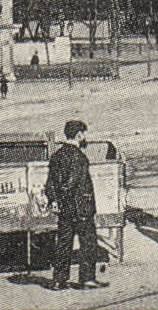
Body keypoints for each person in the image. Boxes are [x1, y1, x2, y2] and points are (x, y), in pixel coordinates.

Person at [45, 120, 104, 290]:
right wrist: (65, 193)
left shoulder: (57, 156)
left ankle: (59, 280)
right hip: (81, 208)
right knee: (88, 243)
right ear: (79, 135)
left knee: (63, 244)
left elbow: (50, 183)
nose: (85, 137)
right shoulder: (79, 158)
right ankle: (86, 279)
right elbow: (72, 182)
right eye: (84, 134)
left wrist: (55, 200)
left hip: (65, 209)